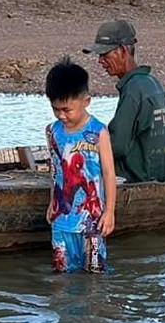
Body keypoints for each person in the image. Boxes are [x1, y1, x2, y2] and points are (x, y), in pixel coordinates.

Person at [42, 58, 115, 273]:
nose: (61, 116)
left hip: (91, 221)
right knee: (61, 274)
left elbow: (109, 173)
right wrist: (51, 203)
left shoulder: (98, 132)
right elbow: (55, 171)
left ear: (86, 101)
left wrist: (109, 212)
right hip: (61, 218)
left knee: (95, 275)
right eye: (56, 109)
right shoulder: (52, 132)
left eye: (67, 110)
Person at [83, 18, 165, 183]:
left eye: (105, 54)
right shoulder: (152, 83)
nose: (100, 61)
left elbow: (116, 147)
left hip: (139, 177)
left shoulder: (133, 89)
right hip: (160, 171)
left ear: (123, 51)